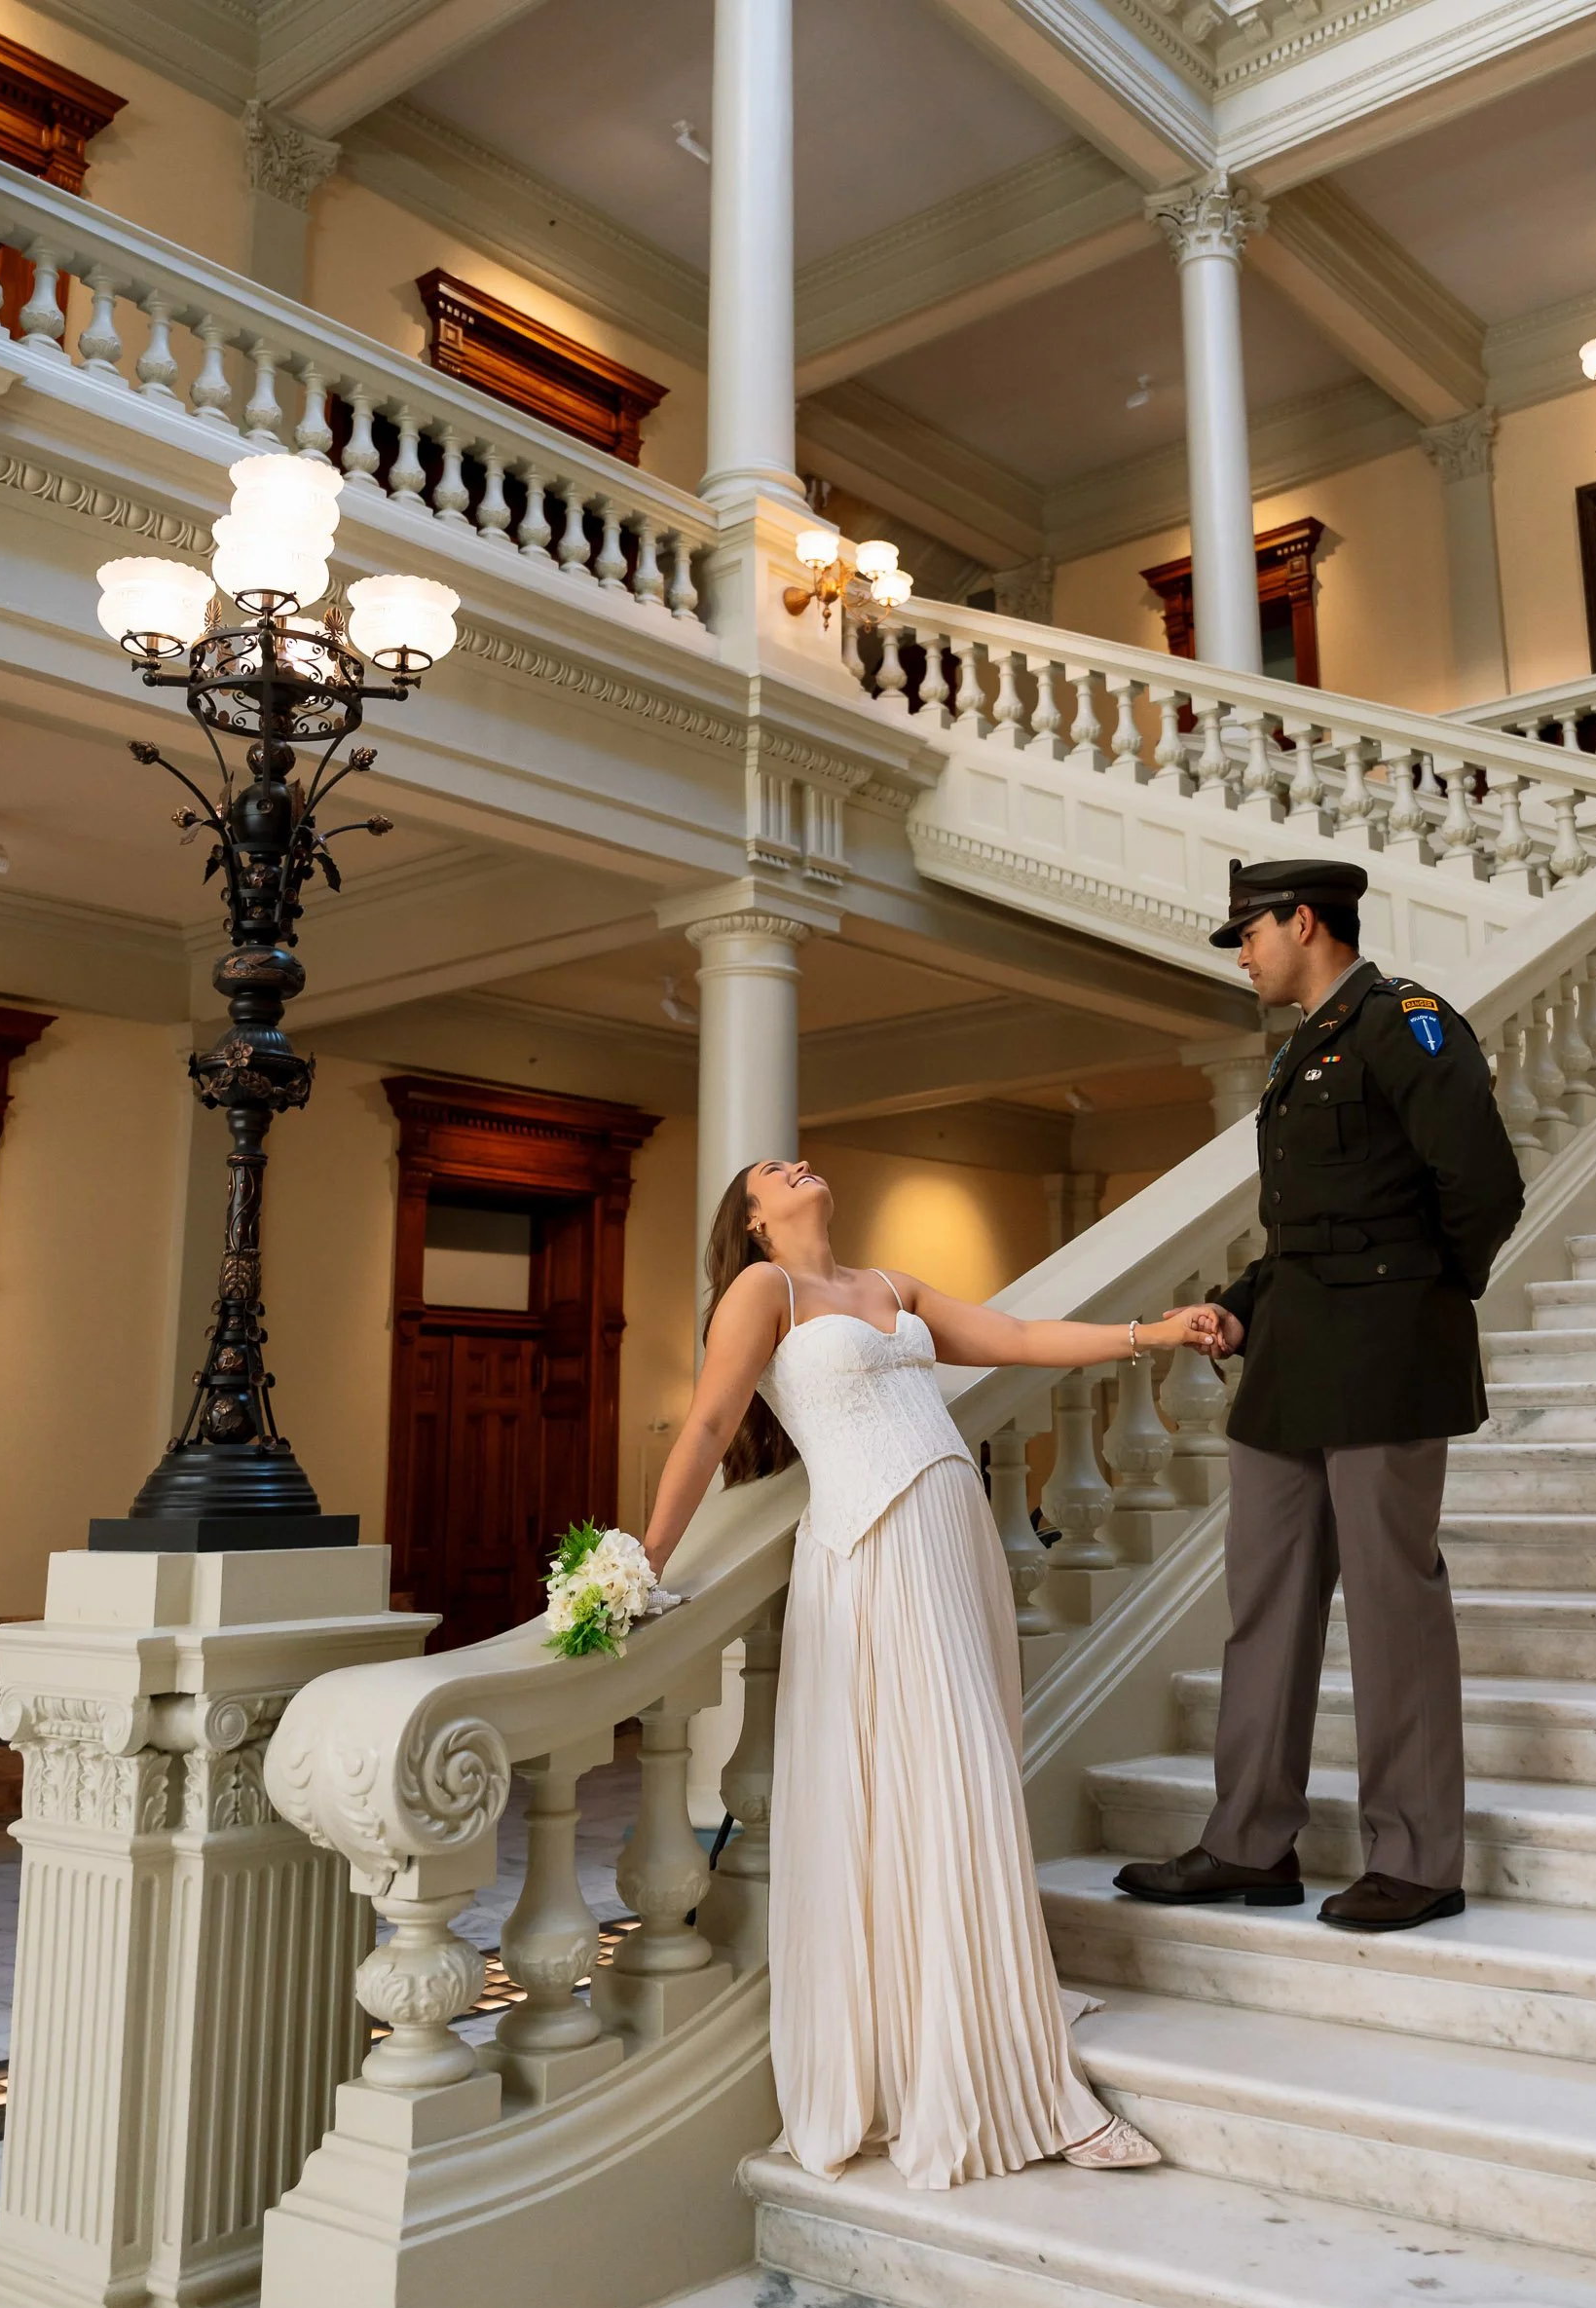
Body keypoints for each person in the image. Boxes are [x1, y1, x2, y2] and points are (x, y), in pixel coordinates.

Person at [641, 1157, 1224, 2188]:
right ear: (755, 1220)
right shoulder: (759, 1292)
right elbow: (705, 1424)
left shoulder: (889, 1286)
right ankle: (1016, 2081)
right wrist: (642, 1559)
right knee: (949, 1783)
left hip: (953, 1539)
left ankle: (987, 2001)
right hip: (872, 1551)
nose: (797, 1164)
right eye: (775, 1171)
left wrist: (1152, 1334)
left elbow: (1022, 1339)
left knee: (968, 1775)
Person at [1116, 860, 1525, 1933]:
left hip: (1383, 1357)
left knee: (1392, 1606)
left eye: (1247, 932)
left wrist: (1414, 1303)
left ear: (1304, 922)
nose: (1241, 953)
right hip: (1292, 1358)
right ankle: (1247, 1842)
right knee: (1263, 1604)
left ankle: (1417, 1857)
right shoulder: (1302, 1047)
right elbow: (1312, 1221)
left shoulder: (1407, 1023)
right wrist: (1244, 1299)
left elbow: (1482, 1188)